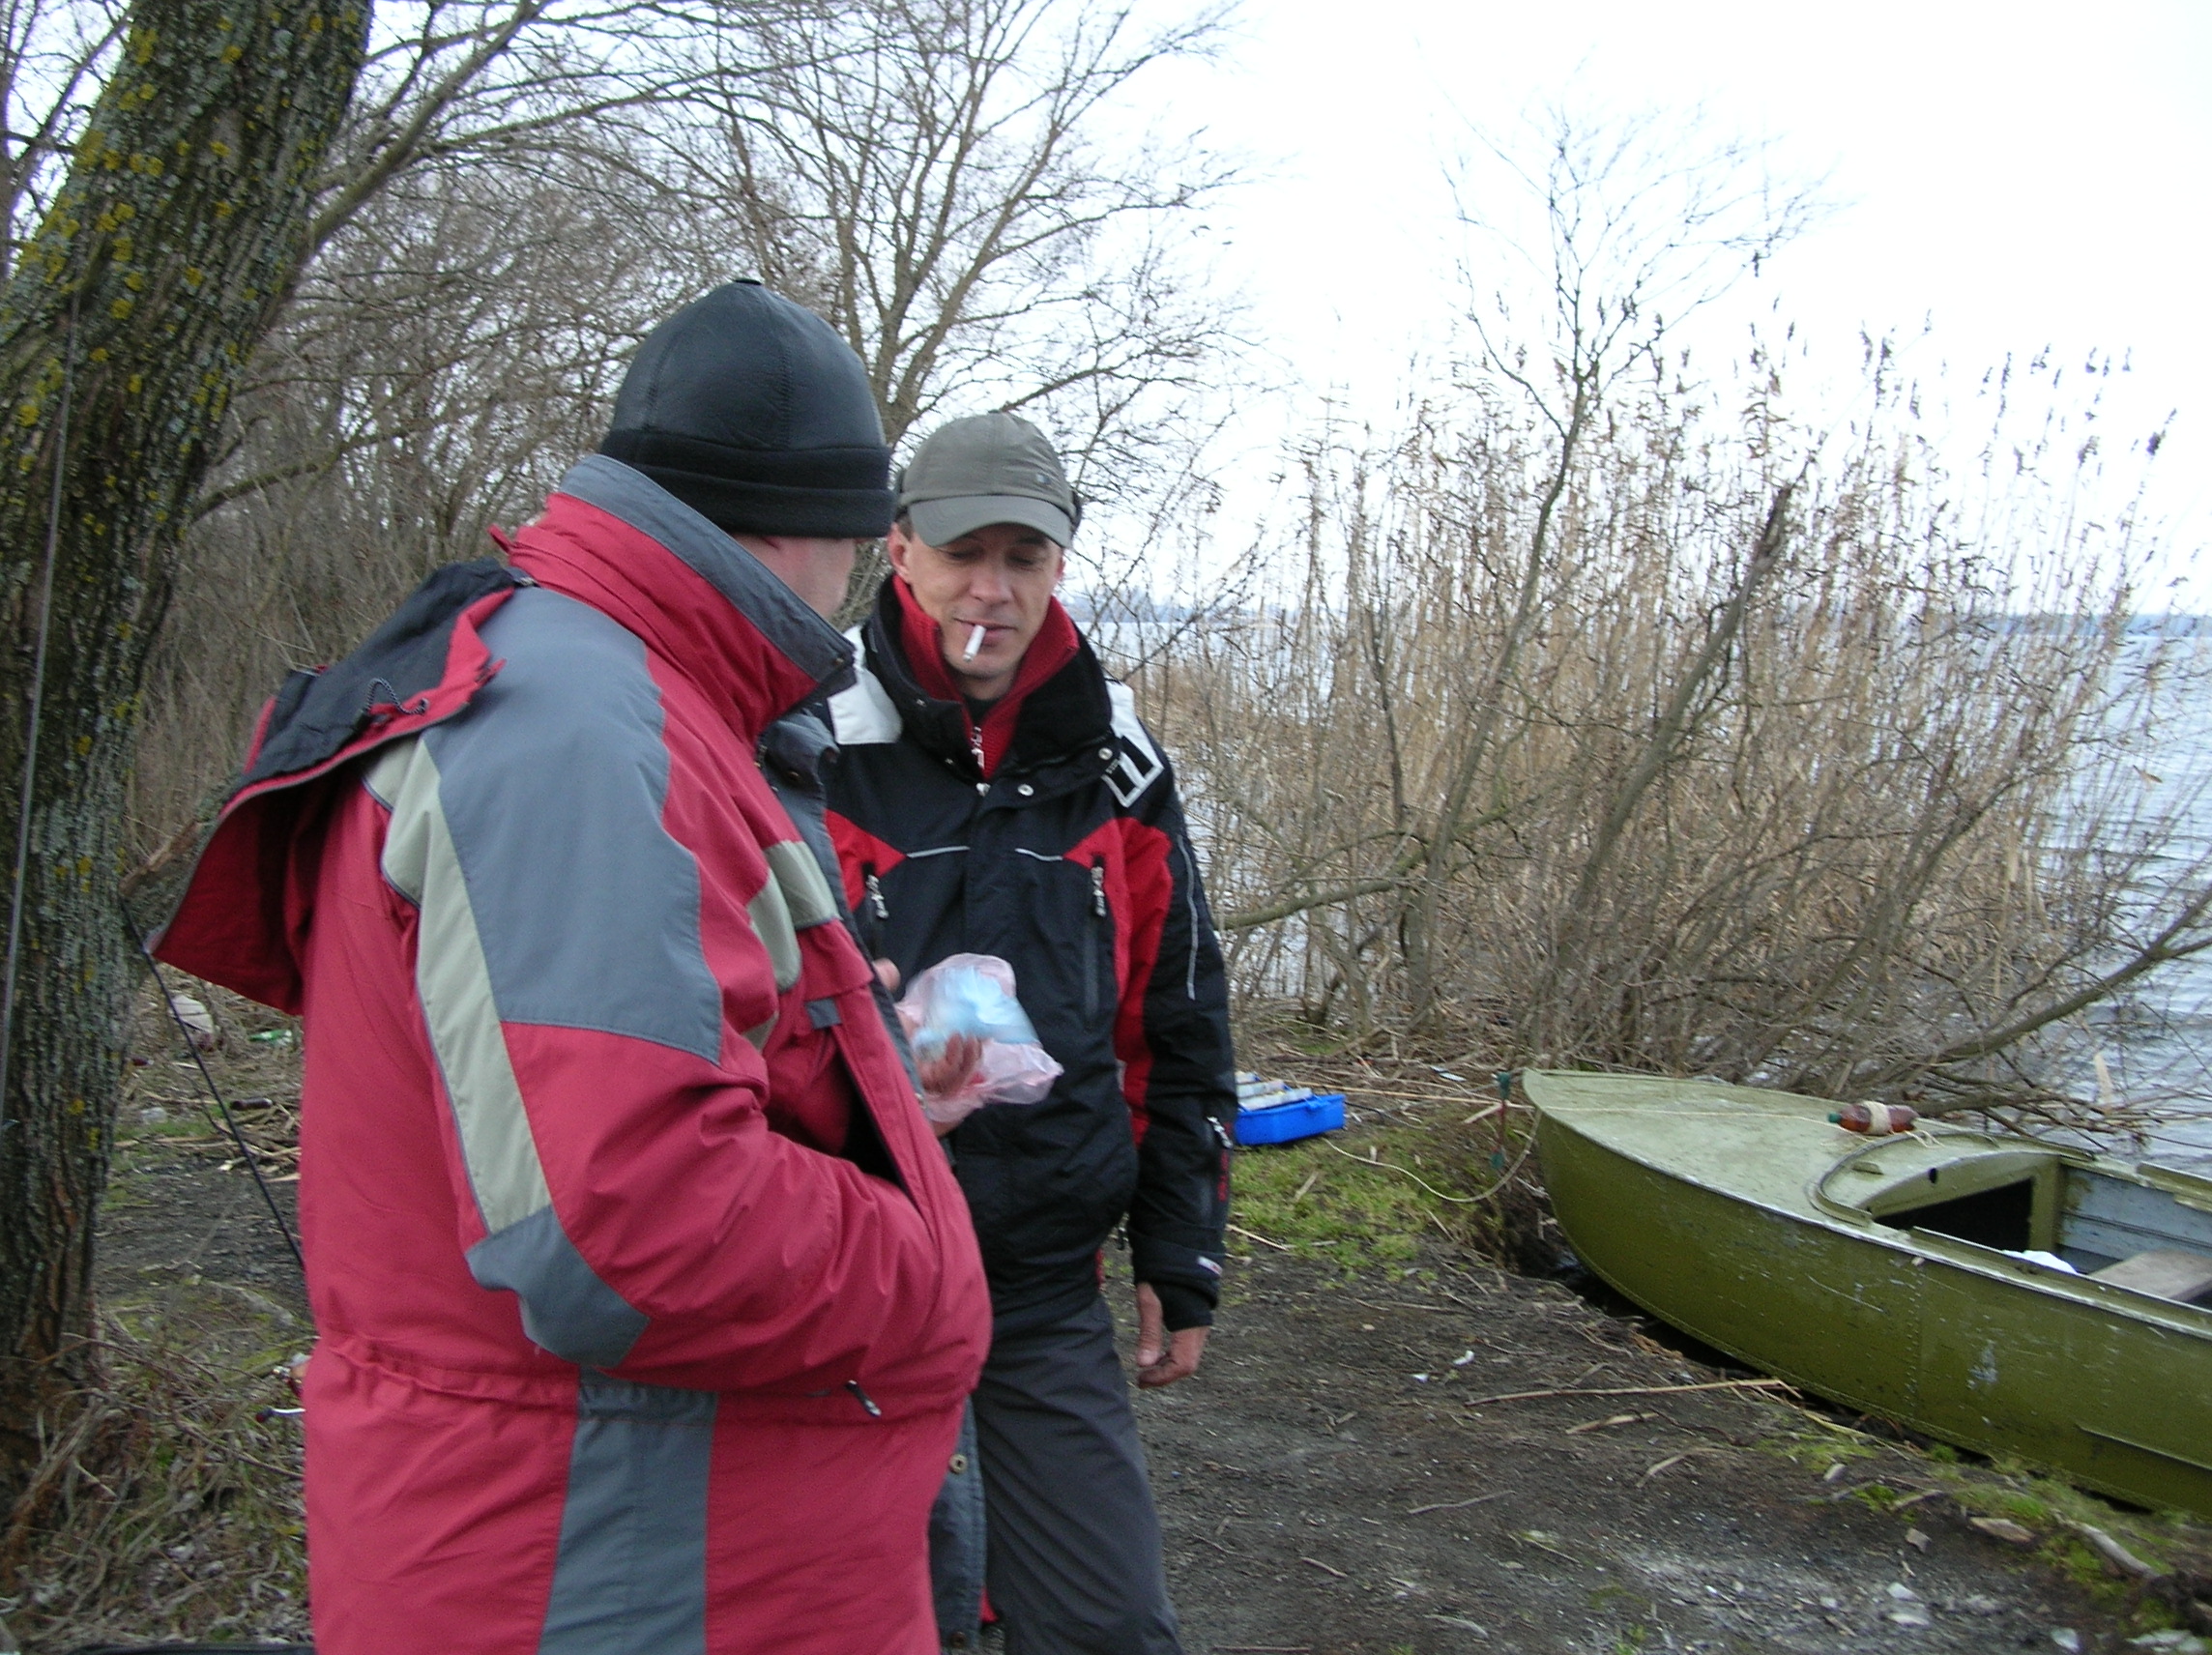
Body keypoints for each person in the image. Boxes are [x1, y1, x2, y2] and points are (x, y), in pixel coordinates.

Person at [152, 280, 992, 1655]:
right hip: (597, 1569)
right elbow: (632, 1227)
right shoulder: (581, 732)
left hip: (647, 1535)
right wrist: (932, 1261)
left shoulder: (625, 692)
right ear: (803, 527)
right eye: (858, 546)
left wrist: (867, 1079)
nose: (852, 589)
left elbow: (635, 1067)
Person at [820, 411, 1236, 1654]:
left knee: (1110, 1624)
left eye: (1024, 557)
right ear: (900, 547)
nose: (990, 592)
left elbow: (1177, 1018)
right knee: (868, 1620)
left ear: (1059, 564)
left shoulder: (1118, 760)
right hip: (846, 1277)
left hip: (1040, 1285)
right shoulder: (803, 738)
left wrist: (1179, 1248)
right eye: (963, 553)